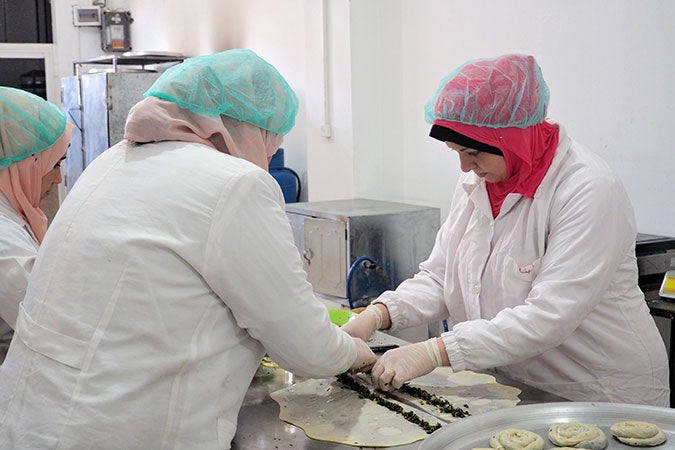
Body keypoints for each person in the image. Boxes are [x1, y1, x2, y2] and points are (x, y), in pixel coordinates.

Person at [0, 49, 376, 448]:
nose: (266, 161)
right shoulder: (236, 183)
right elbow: (305, 347)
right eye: (269, 146)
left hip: (31, 418)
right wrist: (356, 352)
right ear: (247, 131)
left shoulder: (110, 163)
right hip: (121, 428)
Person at [342, 54, 670, 406]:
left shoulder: (586, 188)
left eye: (472, 152)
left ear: (513, 137)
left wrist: (435, 352)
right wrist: (379, 313)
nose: (465, 166)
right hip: (517, 386)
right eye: (457, 152)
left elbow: (548, 316)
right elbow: (441, 277)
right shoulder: (477, 181)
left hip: (596, 392)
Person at [0, 87, 73, 363]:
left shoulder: (10, 214)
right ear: (25, 164)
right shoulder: (4, 240)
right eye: (55, 164)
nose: (58, 179)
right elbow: (49, 322)